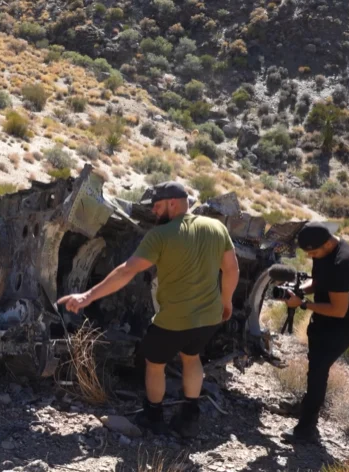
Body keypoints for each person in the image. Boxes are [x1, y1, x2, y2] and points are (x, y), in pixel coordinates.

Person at [58, 181, 239, 438]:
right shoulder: (216, 228)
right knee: (192, 357)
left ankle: (154, 416)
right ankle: (189, 416)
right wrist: (227, 302)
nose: (154, 212)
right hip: (208, 317)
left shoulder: (160, 236)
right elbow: (232, 269)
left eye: (157, 206)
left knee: (154, 363)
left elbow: (127, 271)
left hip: (173, 320)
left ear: (173, 203)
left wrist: (88, 295)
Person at [280, 222, 349, 443]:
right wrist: (302, 289)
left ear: (328, 243)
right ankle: (307, 406)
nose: (311, 256)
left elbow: (339, 310)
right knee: (315, 367)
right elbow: (320, 282)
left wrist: (302, 305)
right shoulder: (324, 252)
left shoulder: (342, 263)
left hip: (343, 325)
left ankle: (306, 428)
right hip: (326, 320)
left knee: (319, 370)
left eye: (313, 252)